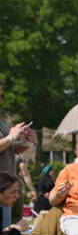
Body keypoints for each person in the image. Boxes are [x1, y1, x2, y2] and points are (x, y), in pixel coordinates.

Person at [0, 82, 37, 222]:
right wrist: (10, 137)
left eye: (1, 95)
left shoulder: (1, 121)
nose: (0, 99)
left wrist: (28, 142)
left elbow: (9, 149)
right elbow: (9, 141)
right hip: (2, 188)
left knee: (8, 232)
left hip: (7, 187)